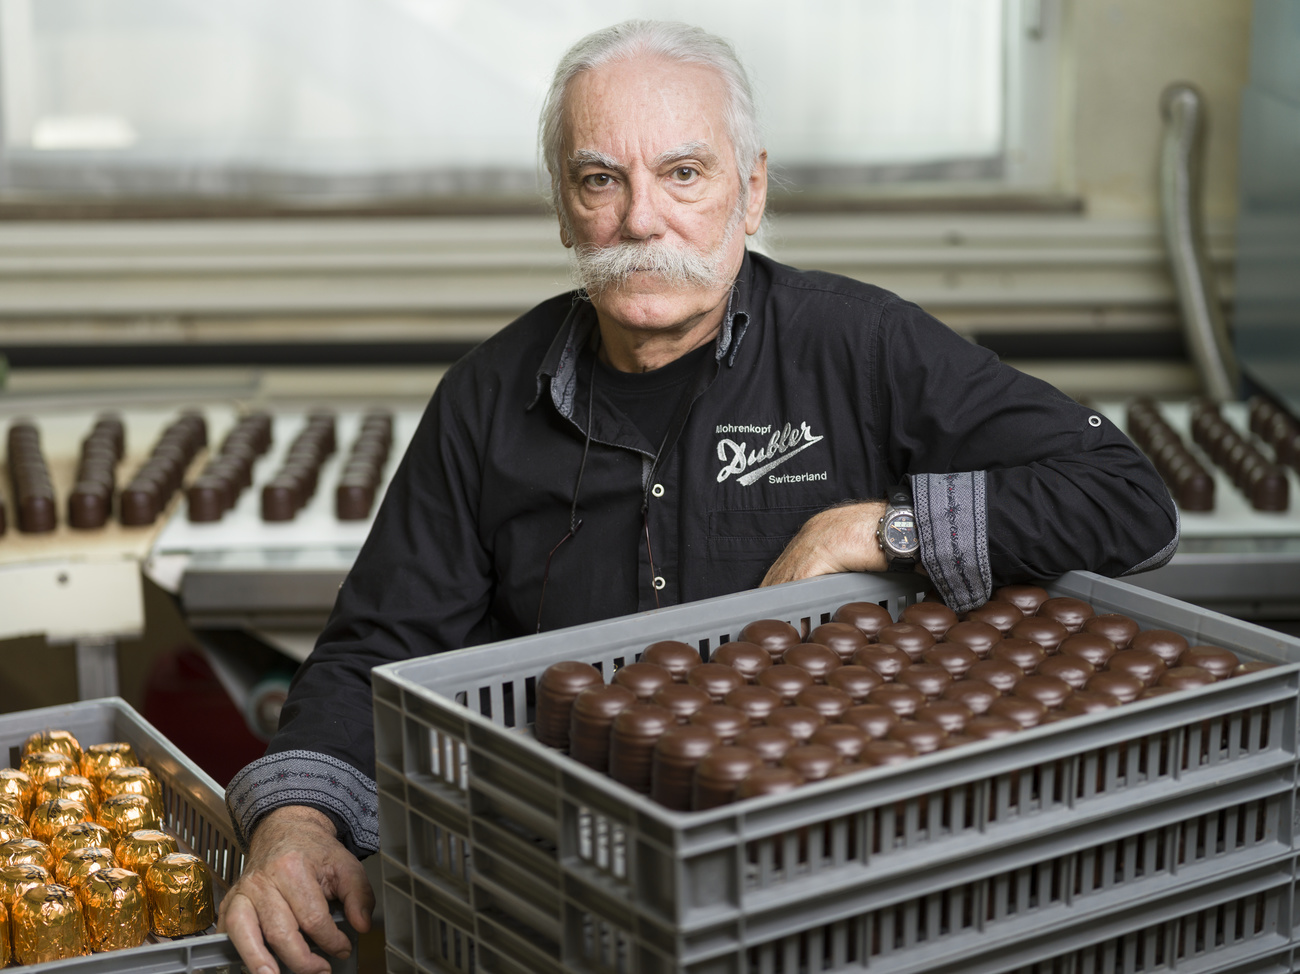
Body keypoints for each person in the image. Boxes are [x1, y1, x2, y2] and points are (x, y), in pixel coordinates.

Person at [219, 20, 1178, 974]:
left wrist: (883, 529)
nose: (642, 221)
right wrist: (294, 823)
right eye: (602, 180)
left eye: (684, 174)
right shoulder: (486, 397)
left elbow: (1126, 498)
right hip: (560, 893)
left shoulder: (860, 348)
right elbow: (377, 646)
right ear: (563, 205)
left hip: (825, 886)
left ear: (750, 189)